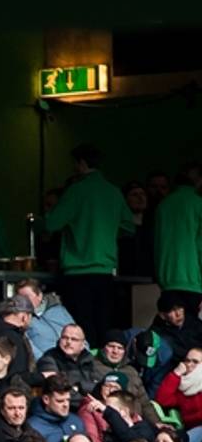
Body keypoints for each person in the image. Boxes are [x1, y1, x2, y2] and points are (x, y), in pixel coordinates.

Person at [43, 144, 135, 336]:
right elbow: (129, 227)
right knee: (104, 327)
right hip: (105, 272)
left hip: (77, 272)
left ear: (82, 164)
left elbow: (52, 223)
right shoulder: (114, 192)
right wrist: (107, 232)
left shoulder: (76, 191)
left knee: (80, 329)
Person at [154, 172, 202, 311]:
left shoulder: (163, 205)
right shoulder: (198, 204)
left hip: (167, 280)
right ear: (197, 182)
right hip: (193, 280)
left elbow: (157, 245)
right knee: (192, 329)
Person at [16, 279, 78, 361]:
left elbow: (78, 334)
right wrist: (47, 363)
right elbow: (29, 346)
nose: (24, 301)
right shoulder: (21, 320)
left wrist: (84, 353)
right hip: (50, 364)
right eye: (20, 298)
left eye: (27, 297)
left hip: (74, 360)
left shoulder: (58, 310)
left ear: (39, 296)